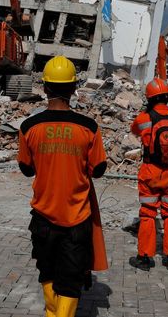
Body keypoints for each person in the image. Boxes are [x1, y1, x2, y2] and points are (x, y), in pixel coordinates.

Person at [18, 56, 108, 317]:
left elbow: (26, 169)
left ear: (45, 88)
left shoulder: (29, 127)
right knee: (70, 280)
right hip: (77, 220)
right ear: (73, 88)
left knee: (47, 272)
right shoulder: (89, 128)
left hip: (43, 218)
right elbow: (99, 169)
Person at [130, 77, 168, 271]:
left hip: (150, 172)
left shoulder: (143, 119)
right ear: (167, 97)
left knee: (148, 214)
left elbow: (133, 130)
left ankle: (145, 257)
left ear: (150, 98)